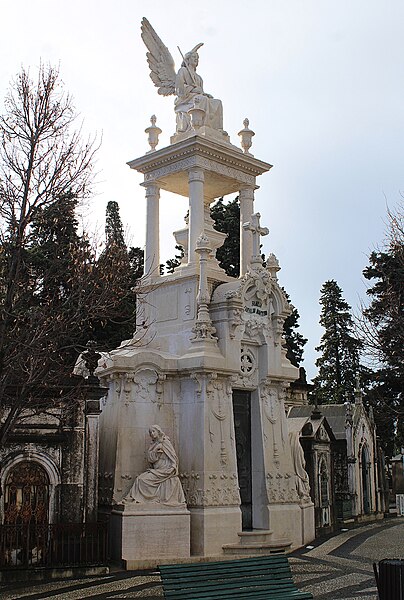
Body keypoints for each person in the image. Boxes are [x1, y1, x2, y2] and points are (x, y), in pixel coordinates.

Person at [124, 425, 186, 506]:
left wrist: (172, 468)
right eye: (150, 432)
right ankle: (138, 499)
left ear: (158, 431)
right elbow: (151, 459)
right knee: (140, 479)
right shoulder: (153, 444)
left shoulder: (165, 442)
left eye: (153, 431)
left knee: (141, 480)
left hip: (165, 471)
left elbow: (173, 457)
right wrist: (156, 451)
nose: (152, 434)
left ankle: (143, 499)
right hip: (157, 471)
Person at [174, 47, 223, 133]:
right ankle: (202, 126)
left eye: (197, 58)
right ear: (188, 59)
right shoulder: (183, 71)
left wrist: (205, 94)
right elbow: (179, 89)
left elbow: (200, 92)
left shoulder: (199, 78)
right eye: (194, 57)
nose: (196, 59)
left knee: (217, 102)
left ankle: (218, 130)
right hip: (186, 99)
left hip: (196, 97)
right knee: (202, 99)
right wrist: (193, 89)